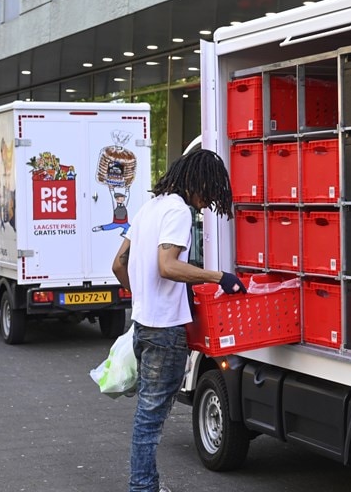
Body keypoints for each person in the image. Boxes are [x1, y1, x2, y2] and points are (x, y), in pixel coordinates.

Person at [111, 149, 246, 492]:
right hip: (164, 332)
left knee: (147, 414)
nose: (205, 205)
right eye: (208, 194)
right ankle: (142, 487)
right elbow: (167, 265)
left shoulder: (148, 208)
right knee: (150, 418)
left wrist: (141, 295)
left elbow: (118, 264)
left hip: (143, 325)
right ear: (197, 182)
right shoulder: (177, 211)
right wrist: (219, 277)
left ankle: (146, 484)